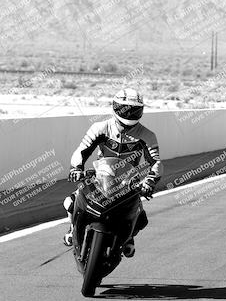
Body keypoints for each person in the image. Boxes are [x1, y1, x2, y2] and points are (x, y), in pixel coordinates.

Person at [63, 88, 163, 257]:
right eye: (126, 109)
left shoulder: (147, 136)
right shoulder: (100, 128)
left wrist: (150, 181)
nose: (130, 113)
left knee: (141, 216)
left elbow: (156, 162)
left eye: (134, 109)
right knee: (70, 201)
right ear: (116, 107)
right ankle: (73, 229)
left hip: (129, 182)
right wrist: (76, 168)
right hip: (100, 177)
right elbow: (82, 150)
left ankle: (129, 237)